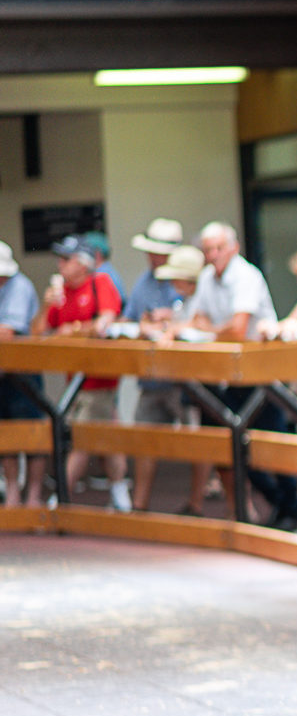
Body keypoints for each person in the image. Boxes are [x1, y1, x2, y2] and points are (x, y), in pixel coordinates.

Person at [184, 221, 297, 530]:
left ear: (234, 248)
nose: (213, 254)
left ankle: (292, 508)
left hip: (261, 374)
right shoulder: (208, 278)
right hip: (229, 374)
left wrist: (209, 329)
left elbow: (236, 328)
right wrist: (211, 328)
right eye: (208, 249)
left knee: (272, 443)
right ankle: (281, 506)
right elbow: (195, 319)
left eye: (219, 247)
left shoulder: (246, 275)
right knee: (237, 447)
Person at [34, 234, 132, 511]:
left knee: (82, 438)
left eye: (66, 259)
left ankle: (60, 499)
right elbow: (39, 332)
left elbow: (105, 323)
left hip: (99, 377)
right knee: (105, 436)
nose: (60, 264)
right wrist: (46, 304)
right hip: (74, 379)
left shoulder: (100, 282)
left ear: (82, 263)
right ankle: (120, 493)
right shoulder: (61, 292)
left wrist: (72, 330)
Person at [121, 217, 192, 512]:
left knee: (203, 444)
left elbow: (202, 320)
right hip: (151, 379)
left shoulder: (190, 277)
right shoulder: (144, 281)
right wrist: (143, 324)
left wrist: (173, 321)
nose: (151, 257)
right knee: (144, 442)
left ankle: (206, 505)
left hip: (186, 380)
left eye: (157, 252)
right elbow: (129, 318)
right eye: (149, 251)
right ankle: (140, 506)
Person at [0, 240, 46, 507]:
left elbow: (8, 333)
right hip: (3, 375)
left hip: (23, 374)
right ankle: (14, 494)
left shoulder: (19, 286)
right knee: (6, 434)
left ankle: (33, 496)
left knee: (32, 435)